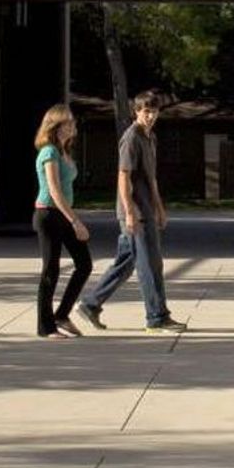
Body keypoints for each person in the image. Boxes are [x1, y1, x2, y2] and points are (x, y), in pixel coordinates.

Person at [77, 90, 183, 333]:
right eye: (146, 111)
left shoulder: (150, 137)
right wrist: (130, 212)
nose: (150, 116)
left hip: (146, 209)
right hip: (135, 212)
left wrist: (160, 207)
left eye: (154, 111)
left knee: (126, 263)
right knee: (149, 265)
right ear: (137, 112)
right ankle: (156, 318)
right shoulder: (131, 138)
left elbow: (151, 178)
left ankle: (90, 305)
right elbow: (123, 177)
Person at [31, 103, 91, 340]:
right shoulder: (49, 152)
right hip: (48, 214)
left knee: (84, 264)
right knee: (50, 270)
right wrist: (76, 221)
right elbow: (54, 191)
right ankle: (45, 327)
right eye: (66, 123)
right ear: (54, 126)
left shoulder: (65, 151)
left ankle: (62, 314)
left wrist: (71, 218)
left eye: (72, 122)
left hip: (62, 214)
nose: (71, 126)